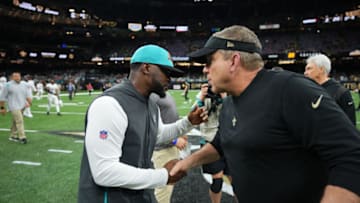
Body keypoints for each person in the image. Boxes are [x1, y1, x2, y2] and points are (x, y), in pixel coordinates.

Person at [169, 25, 360, 203]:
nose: (205, 69)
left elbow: (351, 156)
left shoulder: (289, 89)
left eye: (209, 61)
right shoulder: (229, 103)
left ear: (234, 61)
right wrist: (188, 162)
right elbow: (221, 143)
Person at [78, 44, 207, 203]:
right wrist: (163, 176)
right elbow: (104, 172)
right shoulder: (109, 104)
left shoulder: (151, 104)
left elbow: (157, 135)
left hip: (140, 194)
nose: (170, 79)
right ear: (146, 68)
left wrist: (188, 123)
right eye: (166, 72)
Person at [150, 92, 189, 203]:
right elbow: (149, 124)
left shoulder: (163, 92)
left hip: (170, 148)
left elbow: (169, 118)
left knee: (168, 187)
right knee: (162, 189)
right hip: (162, 150)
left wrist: (180, 133)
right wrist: (174, 140)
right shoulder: (152, 95)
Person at [195, 83, 229, 203]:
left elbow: (233, 115)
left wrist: (224, 97)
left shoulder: (228, 96)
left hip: (228, 142)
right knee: (217, 181)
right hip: (210, 142)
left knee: (237, 180)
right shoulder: (202, 96)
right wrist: (201, 98)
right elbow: (194, 116)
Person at [304, 54, 356, 125]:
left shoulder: (340, 92)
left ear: (321, 70)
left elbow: (350, 124)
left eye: (309, 69)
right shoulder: (307, 90)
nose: (305, 73)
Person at [0, 72, 32, 144]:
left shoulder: (23, 84)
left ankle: (12, 135)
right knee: (20, 121)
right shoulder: (7, 85)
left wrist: (29, 103)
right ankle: (22, 137)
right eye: (15, 76)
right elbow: (2, 97)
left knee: (15, 121)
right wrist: (2, 108)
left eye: (18, 76)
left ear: (20, 76)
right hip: (13, 106)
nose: (17, 78)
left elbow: (26, 95)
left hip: (22, 106)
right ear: (12, 77)